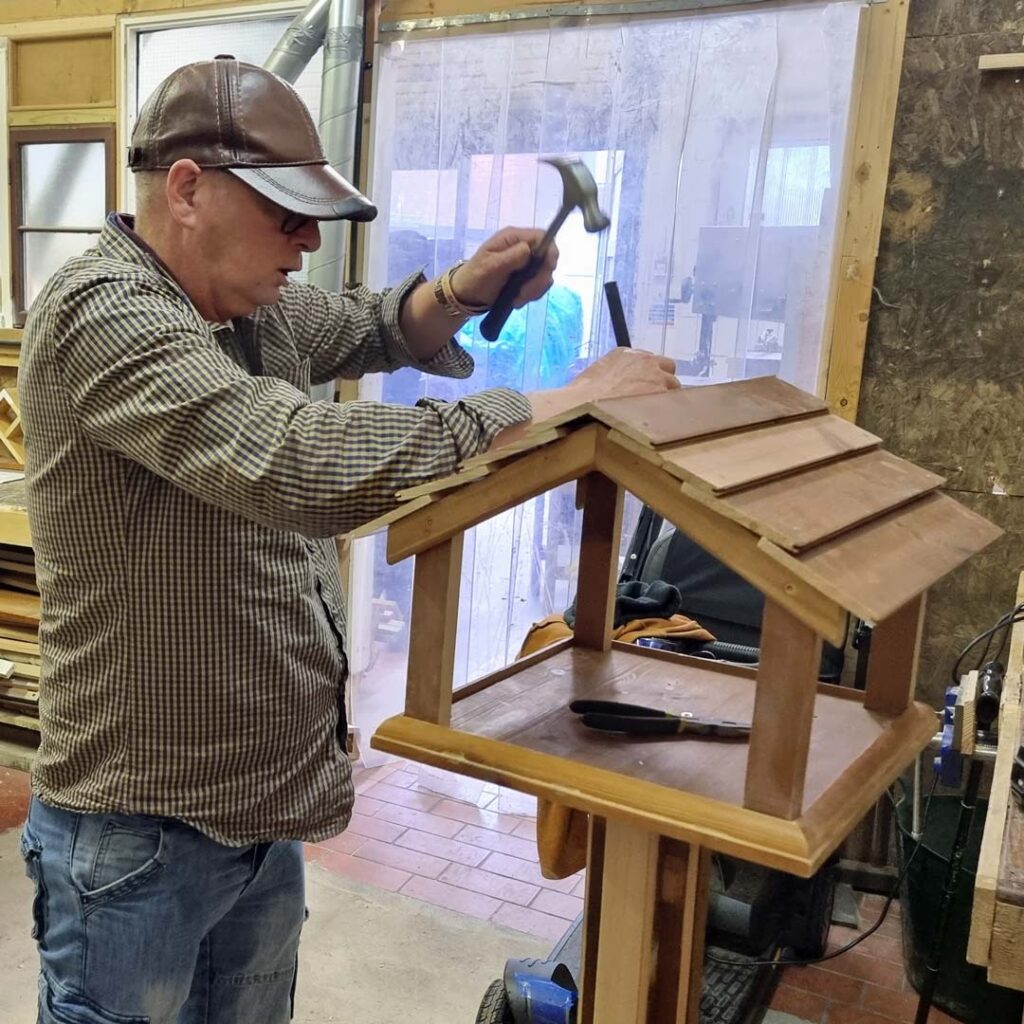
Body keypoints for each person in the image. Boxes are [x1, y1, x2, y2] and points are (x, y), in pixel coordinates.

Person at [17, 55, 679, 1024]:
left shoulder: (249, 309)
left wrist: (461, 286)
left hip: (253, 817)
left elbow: (373, 324)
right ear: (190, 189)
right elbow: (293, 459)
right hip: (138, 832)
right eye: (284, 214)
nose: (306, 240)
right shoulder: (103, 313)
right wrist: (565, 406)